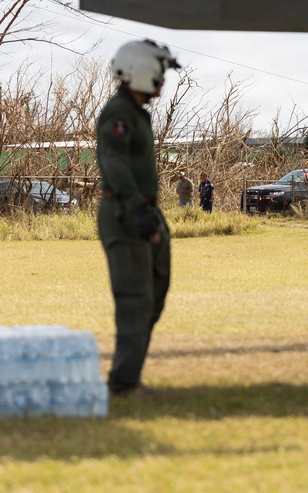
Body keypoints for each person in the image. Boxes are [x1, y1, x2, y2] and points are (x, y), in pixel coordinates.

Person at [96, 38, 180, 397]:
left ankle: (130, 376)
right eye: (158, 71)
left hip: (144, 209)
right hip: (126, 211)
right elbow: (114, 163)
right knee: (134, 298)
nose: (162, 79)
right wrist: (138, 210)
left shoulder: (137, 113)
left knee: (154, 293)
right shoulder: (119, 113)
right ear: (141, 71)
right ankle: (124, 382)